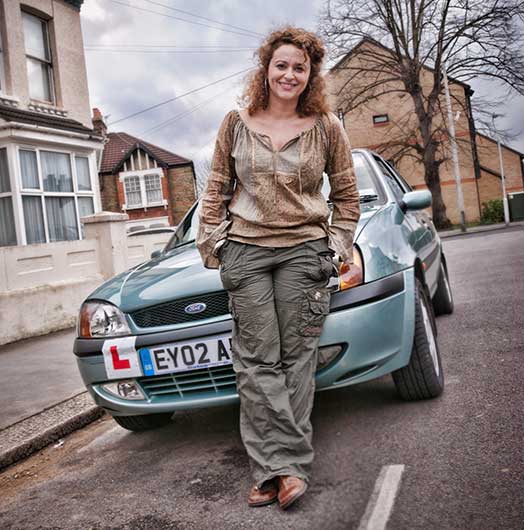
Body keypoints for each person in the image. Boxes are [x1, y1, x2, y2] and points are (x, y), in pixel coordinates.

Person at [197, 26, 360, 510]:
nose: (290, 74)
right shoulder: (236, 121)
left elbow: (347, 197)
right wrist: (216, 245)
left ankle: (276, 471)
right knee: (256, 362)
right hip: (245, 252)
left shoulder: (328, 126)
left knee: (296, 361)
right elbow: (216, 190)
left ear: (311, 76)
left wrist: (336, 246)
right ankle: (283, 468)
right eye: (282, 64)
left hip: (304, 251)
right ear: (265, 69)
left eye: (300, 67)